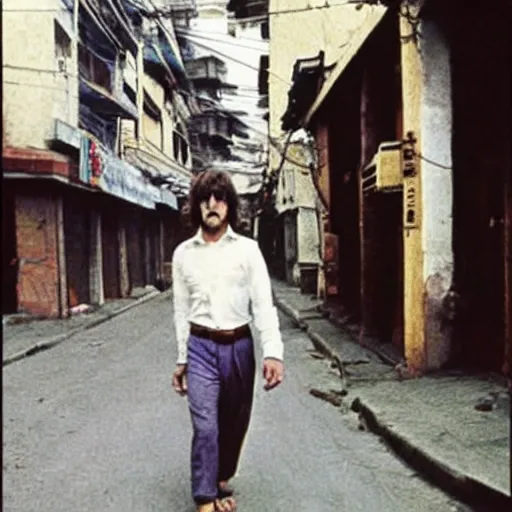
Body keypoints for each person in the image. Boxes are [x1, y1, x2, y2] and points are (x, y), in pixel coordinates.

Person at [171, 170, 285, 512]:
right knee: (205, 424)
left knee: (234, 421)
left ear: (229, 206)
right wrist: (182, 360)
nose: (212, 204)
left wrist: (273, 353)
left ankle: (220, 477)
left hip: (239, 346)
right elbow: (181, 310)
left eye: (219, 198)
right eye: (205, 198)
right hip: (201, 345)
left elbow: (263, 304)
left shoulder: (248, 251)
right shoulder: (183, 254)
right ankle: (205, 498)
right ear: (196, 206)